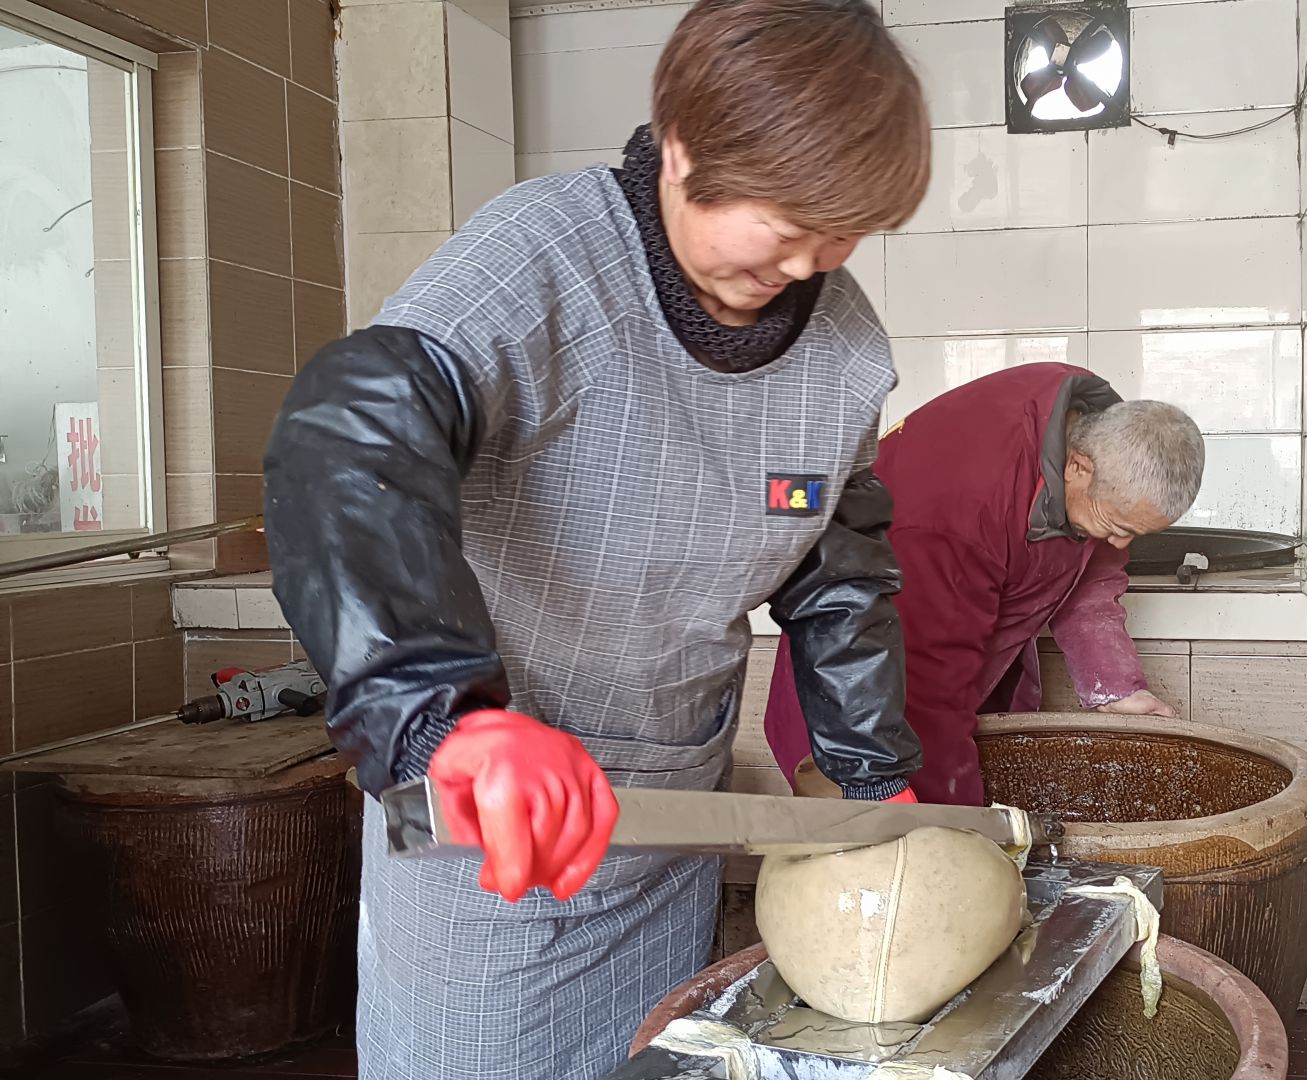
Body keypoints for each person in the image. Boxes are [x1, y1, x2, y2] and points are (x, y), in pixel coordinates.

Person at [259, 3, 930, 1077]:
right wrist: (440, 718)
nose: (808, 263)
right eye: (785, 221)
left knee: (649, 1055)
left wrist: (869, 771)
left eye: (842, 231)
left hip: (668, 819)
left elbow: (834, 571)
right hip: (493, 810)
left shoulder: (846, 347)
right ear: (684, 146)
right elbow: (350, 442)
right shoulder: (543, 255)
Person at [762, 363, 1206, 805]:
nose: (1121, 543)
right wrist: (961, 819)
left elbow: (1094, 569)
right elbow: (931, 686)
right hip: (857, 699)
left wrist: (1115, 686)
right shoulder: (961, 509)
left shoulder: (1093, 432)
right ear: (1077, 466)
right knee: (871, 835)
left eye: (1134, 532)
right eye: (1118, 527)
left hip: (957, 661)